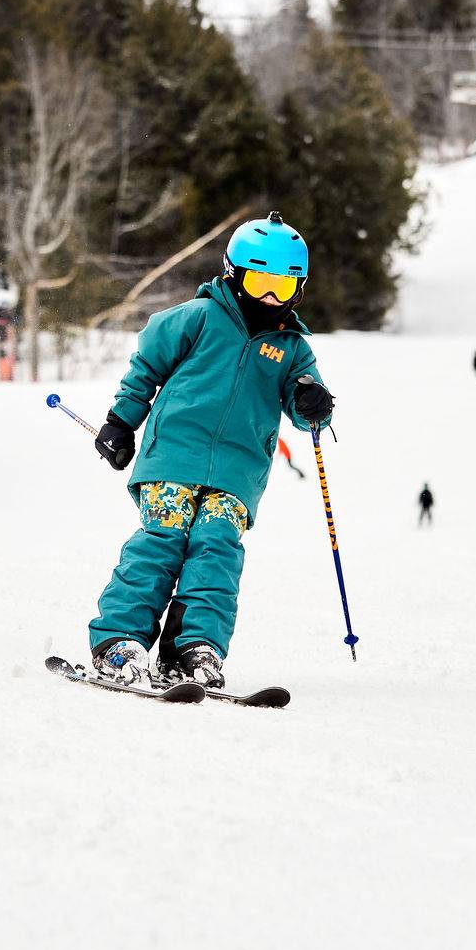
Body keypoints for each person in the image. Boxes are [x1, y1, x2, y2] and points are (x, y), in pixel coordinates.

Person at [88, 211, 333, 689]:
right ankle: (119, 640)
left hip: (237, 473)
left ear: (298, 291)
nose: (269, 296)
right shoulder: (197, 318)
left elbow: (307, 413)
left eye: (282, 288)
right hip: (173, 456)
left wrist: (313, 403)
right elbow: (146, 370)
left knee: (216, 550)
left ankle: (191, 648)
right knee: (164, 539)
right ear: (233, 273)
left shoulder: (291, 349)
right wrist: (121, 422)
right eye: (261, 281)